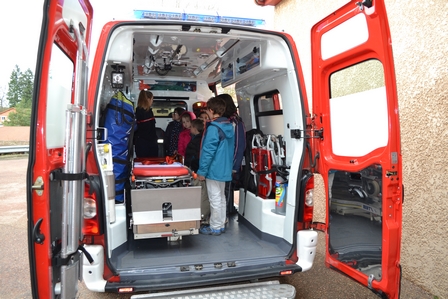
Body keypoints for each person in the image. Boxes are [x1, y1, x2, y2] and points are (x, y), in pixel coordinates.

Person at [197, 97, 235, 236]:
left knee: (215, 198)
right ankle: (221, 223)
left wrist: (202, 171)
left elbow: (208, 152)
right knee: (221, 197)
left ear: (212, 111)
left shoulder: (214, 128)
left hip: (214, 169)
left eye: (207, 109)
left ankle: (215, 226)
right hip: (224, 168)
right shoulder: (229, 125)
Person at [220, 93, 246, 216]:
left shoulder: (236, 123)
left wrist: (234, 166)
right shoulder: (225, 121)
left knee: (226, 190)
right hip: (224, 162)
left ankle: (226, 214)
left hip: (230, 163)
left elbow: (239, 145)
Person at [185, 118, 210, 223]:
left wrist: (187, 168)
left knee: (201, 194)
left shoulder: (194, 142)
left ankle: (202, 216)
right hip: (203, 169)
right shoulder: (203, 139)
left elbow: (191, 158)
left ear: (194, 129)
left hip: (196, 171)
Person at [134, 90, 158, 157]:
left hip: (140, 143)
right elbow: (150, 129)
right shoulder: (148, 113)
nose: (152, 101)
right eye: (152, 99)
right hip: (148, 144)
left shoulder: (138, 111)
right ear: (148, 99)